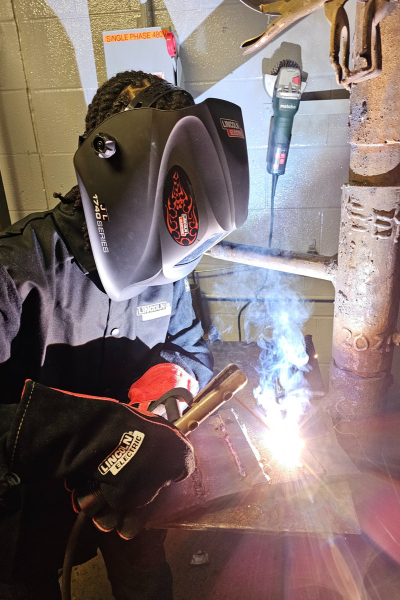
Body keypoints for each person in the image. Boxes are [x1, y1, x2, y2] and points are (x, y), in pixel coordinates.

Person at [0, 69, 249, 600]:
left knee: (146, 581)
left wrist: (174, 377)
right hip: (34, 511)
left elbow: (192, 350)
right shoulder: (18, 267)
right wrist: (76, 432)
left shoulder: (170, 262)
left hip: (136, 491)